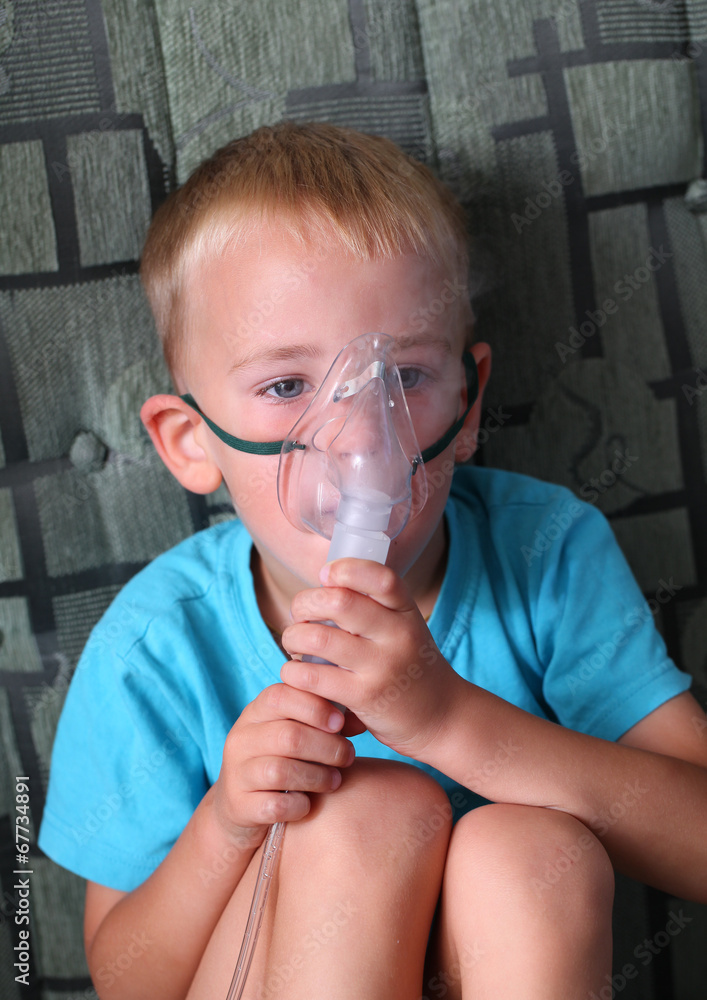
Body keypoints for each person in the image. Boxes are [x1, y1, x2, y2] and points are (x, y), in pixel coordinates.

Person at [39, 122, 707, 1000]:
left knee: (528, 850)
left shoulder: (545, 556)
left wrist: (450, 722)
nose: (362, 441)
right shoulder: (158, 649)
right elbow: (126, 981)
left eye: (405, 376)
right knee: (367, 812)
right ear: (191, 440)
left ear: (468, 407)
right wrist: (229, 824)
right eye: (287, 387)